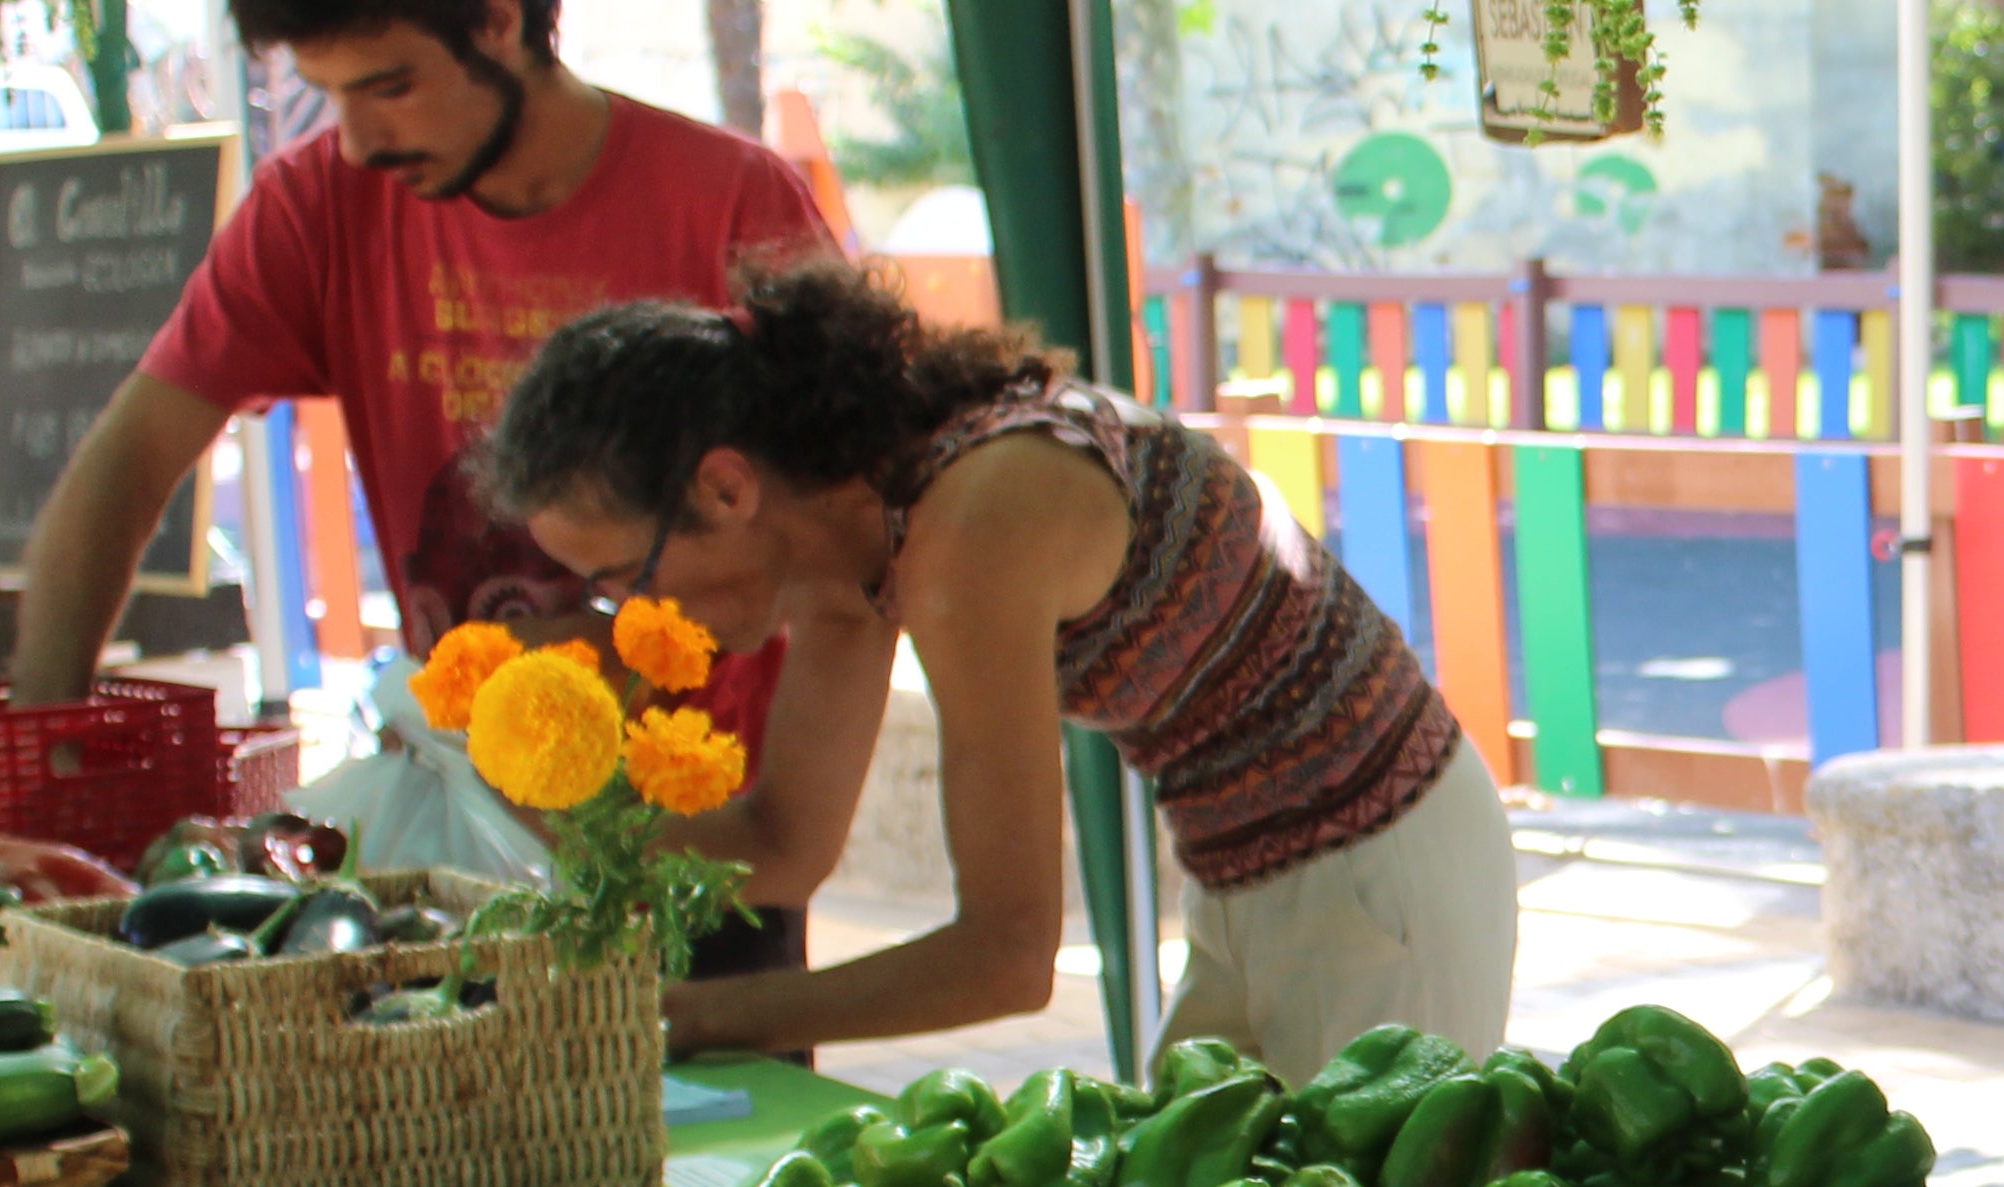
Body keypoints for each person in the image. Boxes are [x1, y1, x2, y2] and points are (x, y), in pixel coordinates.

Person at [8, 0, 848, 969]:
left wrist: (604, 640)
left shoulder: (732, 205)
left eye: (389, 86)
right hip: (440, 847)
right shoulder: (316, 207)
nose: (354, 140)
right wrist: (38, 768)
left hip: (699, 853)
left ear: (498, 23)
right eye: (326, 93)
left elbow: (849, 540)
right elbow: (130, 457)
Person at [482, 254, 1516, 1074]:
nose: (630, 621)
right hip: (1258, 875)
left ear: (723, 489)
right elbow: (784, 845)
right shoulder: (864, 540)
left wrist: (691, 1019)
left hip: (1384, 875)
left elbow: (1006, 959)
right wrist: (522, 791)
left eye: (627, 578)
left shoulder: (968, 532)